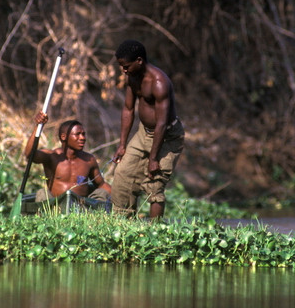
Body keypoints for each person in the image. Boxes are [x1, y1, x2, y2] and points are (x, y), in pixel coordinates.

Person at [111, 39, 184, 219]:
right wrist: (122, 145)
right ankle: (123, 223)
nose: (124, 70)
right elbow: (128, 110)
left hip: (167, 137)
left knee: (154, 184)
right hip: (144, 133)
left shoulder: (159, 83)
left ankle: (154, 233)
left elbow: (162, 123)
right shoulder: (132, 77)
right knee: (123, 174)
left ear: (139, 61)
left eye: (126, 66)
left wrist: (153, 159)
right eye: (121, 66)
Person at [24, 111, 112, 204]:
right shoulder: (52, 156)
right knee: (42, 193)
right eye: (77, 134)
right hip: (55, 205)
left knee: (102, 193)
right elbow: (30, 155)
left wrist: (121, 197)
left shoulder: (89, 160)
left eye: (83, 134)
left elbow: (101, 185)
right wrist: (38, 126)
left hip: (81, 207)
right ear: (63, 137)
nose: (82, 138)